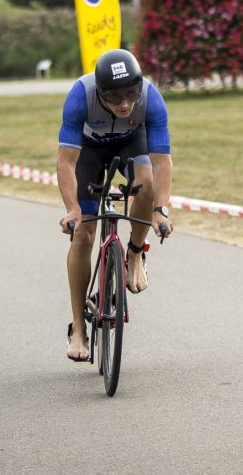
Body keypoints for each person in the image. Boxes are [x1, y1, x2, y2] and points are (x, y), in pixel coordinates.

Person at [57, 48, 174, 361]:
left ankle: (135, 255)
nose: (124, 104)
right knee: (82, 235)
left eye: (130, 95)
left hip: (130, 143)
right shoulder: (81, 96)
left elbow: (162, 160)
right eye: (115, 98)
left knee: (146, 183)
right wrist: (72, 209)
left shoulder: (150, 98)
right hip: (89, 152)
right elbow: (66, 162)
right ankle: (79, 328)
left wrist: (160, 209)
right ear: (100, 91)